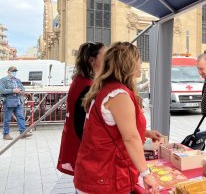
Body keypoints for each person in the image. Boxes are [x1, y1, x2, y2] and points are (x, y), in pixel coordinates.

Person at [74, 42, 160, 194]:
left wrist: (147, 133)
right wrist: (146, 174)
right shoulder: (118, 95)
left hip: (98, 172)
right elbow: (130, 137)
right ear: (128, 63)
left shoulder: (109, 89)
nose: (141, 63)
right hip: (105, 175)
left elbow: (114, 126)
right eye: (138, 58)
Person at [57, 42, 105, 175]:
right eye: (104, 56)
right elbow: (81, 124)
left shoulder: (80, 81)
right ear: (91, 60)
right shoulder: (87, 86)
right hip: (83, 147)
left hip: (77, 144)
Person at [0, 66, 32, 140]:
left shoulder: (18, 80)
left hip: (18, 102)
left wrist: (22, 91)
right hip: (8, 102)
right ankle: (5, 134)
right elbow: (1, 90)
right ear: (8, 72)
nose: (14, 73)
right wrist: (13, 90)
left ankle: (23, 133)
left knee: (21, 117)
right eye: (13, 71)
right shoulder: (3, 80)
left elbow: (22, 88)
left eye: (15, 71)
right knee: (7, 119)